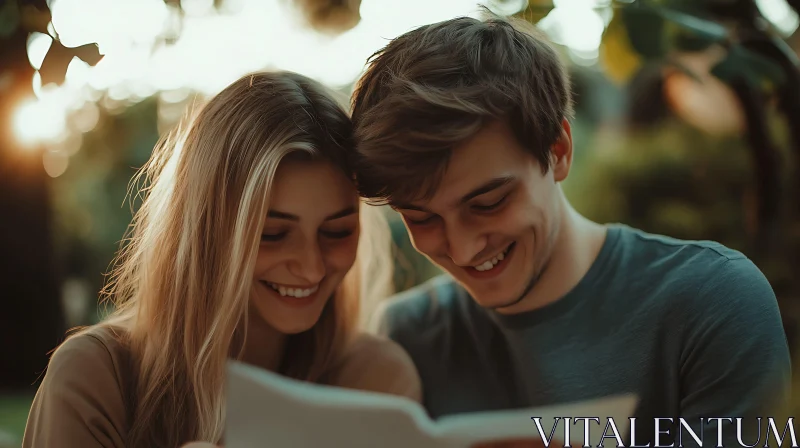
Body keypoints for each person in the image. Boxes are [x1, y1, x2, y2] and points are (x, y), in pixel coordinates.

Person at [348, 9, 791, 448]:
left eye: (488, 203)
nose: (463, 250)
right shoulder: (406, 334)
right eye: (421, 218)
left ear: (557, 150)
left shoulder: (713, 301)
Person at [22, 71, 421, 448]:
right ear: (203, 231)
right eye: (272, 234)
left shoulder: (375, 378)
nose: (311, 267)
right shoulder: (96, 378)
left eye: (336, 232)